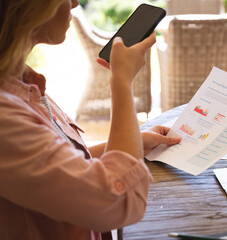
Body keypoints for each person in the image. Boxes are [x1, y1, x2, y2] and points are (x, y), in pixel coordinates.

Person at [0, 0, 181, 239]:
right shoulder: (6, 117)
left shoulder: (21, 82)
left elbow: (61, 167)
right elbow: (118, 201)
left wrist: (132, 143)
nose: (75, 3)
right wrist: (122, 82)